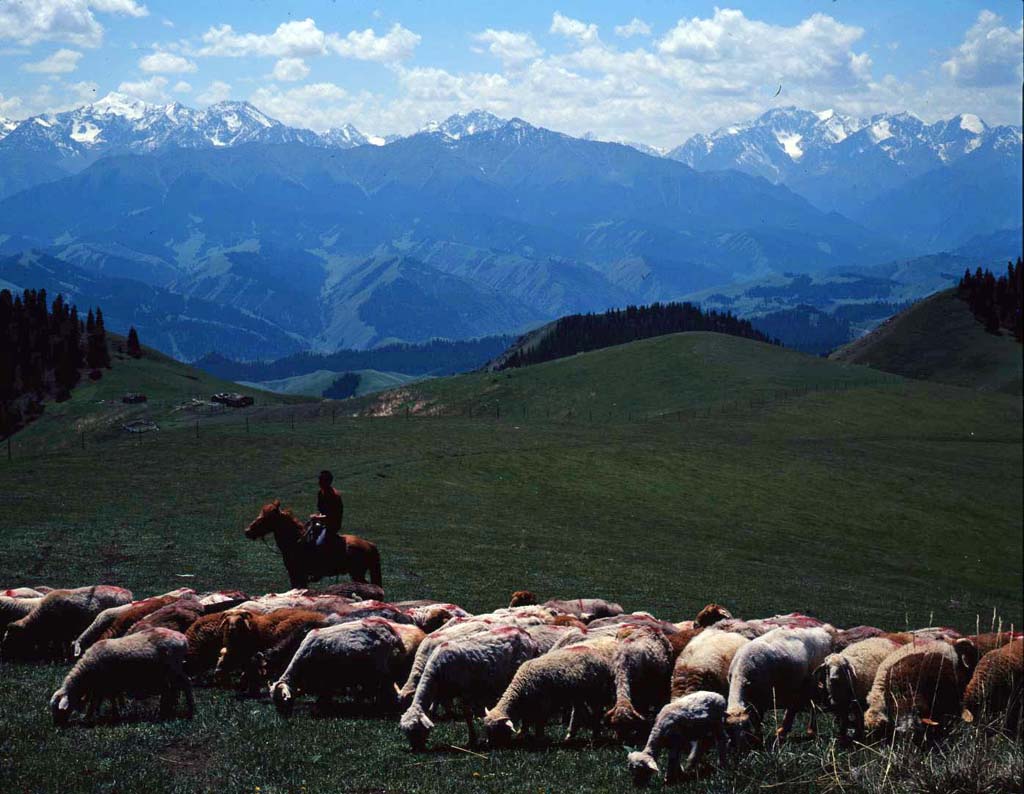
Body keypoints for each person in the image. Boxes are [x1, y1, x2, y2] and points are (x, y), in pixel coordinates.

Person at [309, 470, 343, 549]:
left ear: (328, 482)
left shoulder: (334, 496)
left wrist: (317, 518)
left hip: (332, 525)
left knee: (319, 544)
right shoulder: (321, 493)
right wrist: (317, 516)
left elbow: (332, 516)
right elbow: (322, 510)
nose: (319, 482)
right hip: (322, 521)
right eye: (319, 480)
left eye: (322, 480)